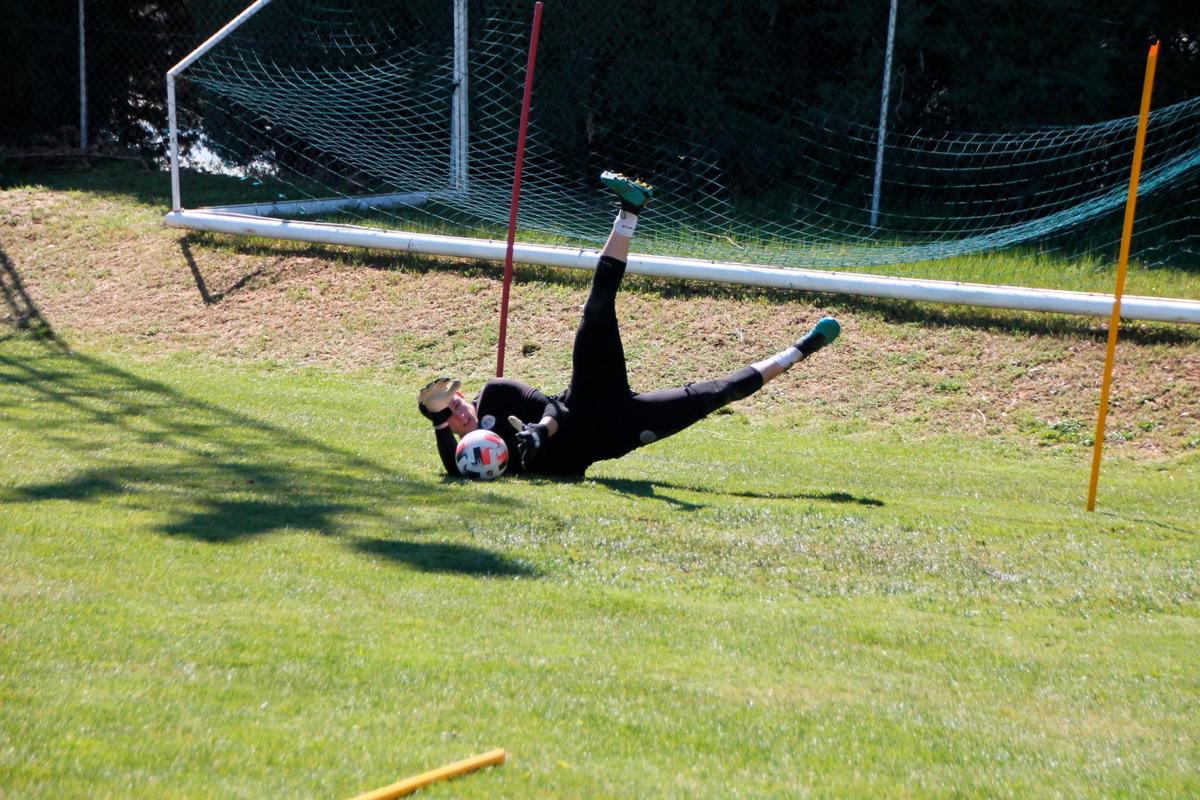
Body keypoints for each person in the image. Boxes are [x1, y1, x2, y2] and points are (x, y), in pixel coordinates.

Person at [418, 171, 841, 478]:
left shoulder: (495, 393)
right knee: (715, 394)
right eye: (449, 416)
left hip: (588, 396)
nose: (458, 411)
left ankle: (629, 210)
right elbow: (452, 472)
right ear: (447, 429)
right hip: (616, 432)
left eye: (455, 403)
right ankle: (802, 349)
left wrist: (540, 432)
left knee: (597, 308)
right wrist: (439, 425)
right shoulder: (473, 457)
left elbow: (557, 407)